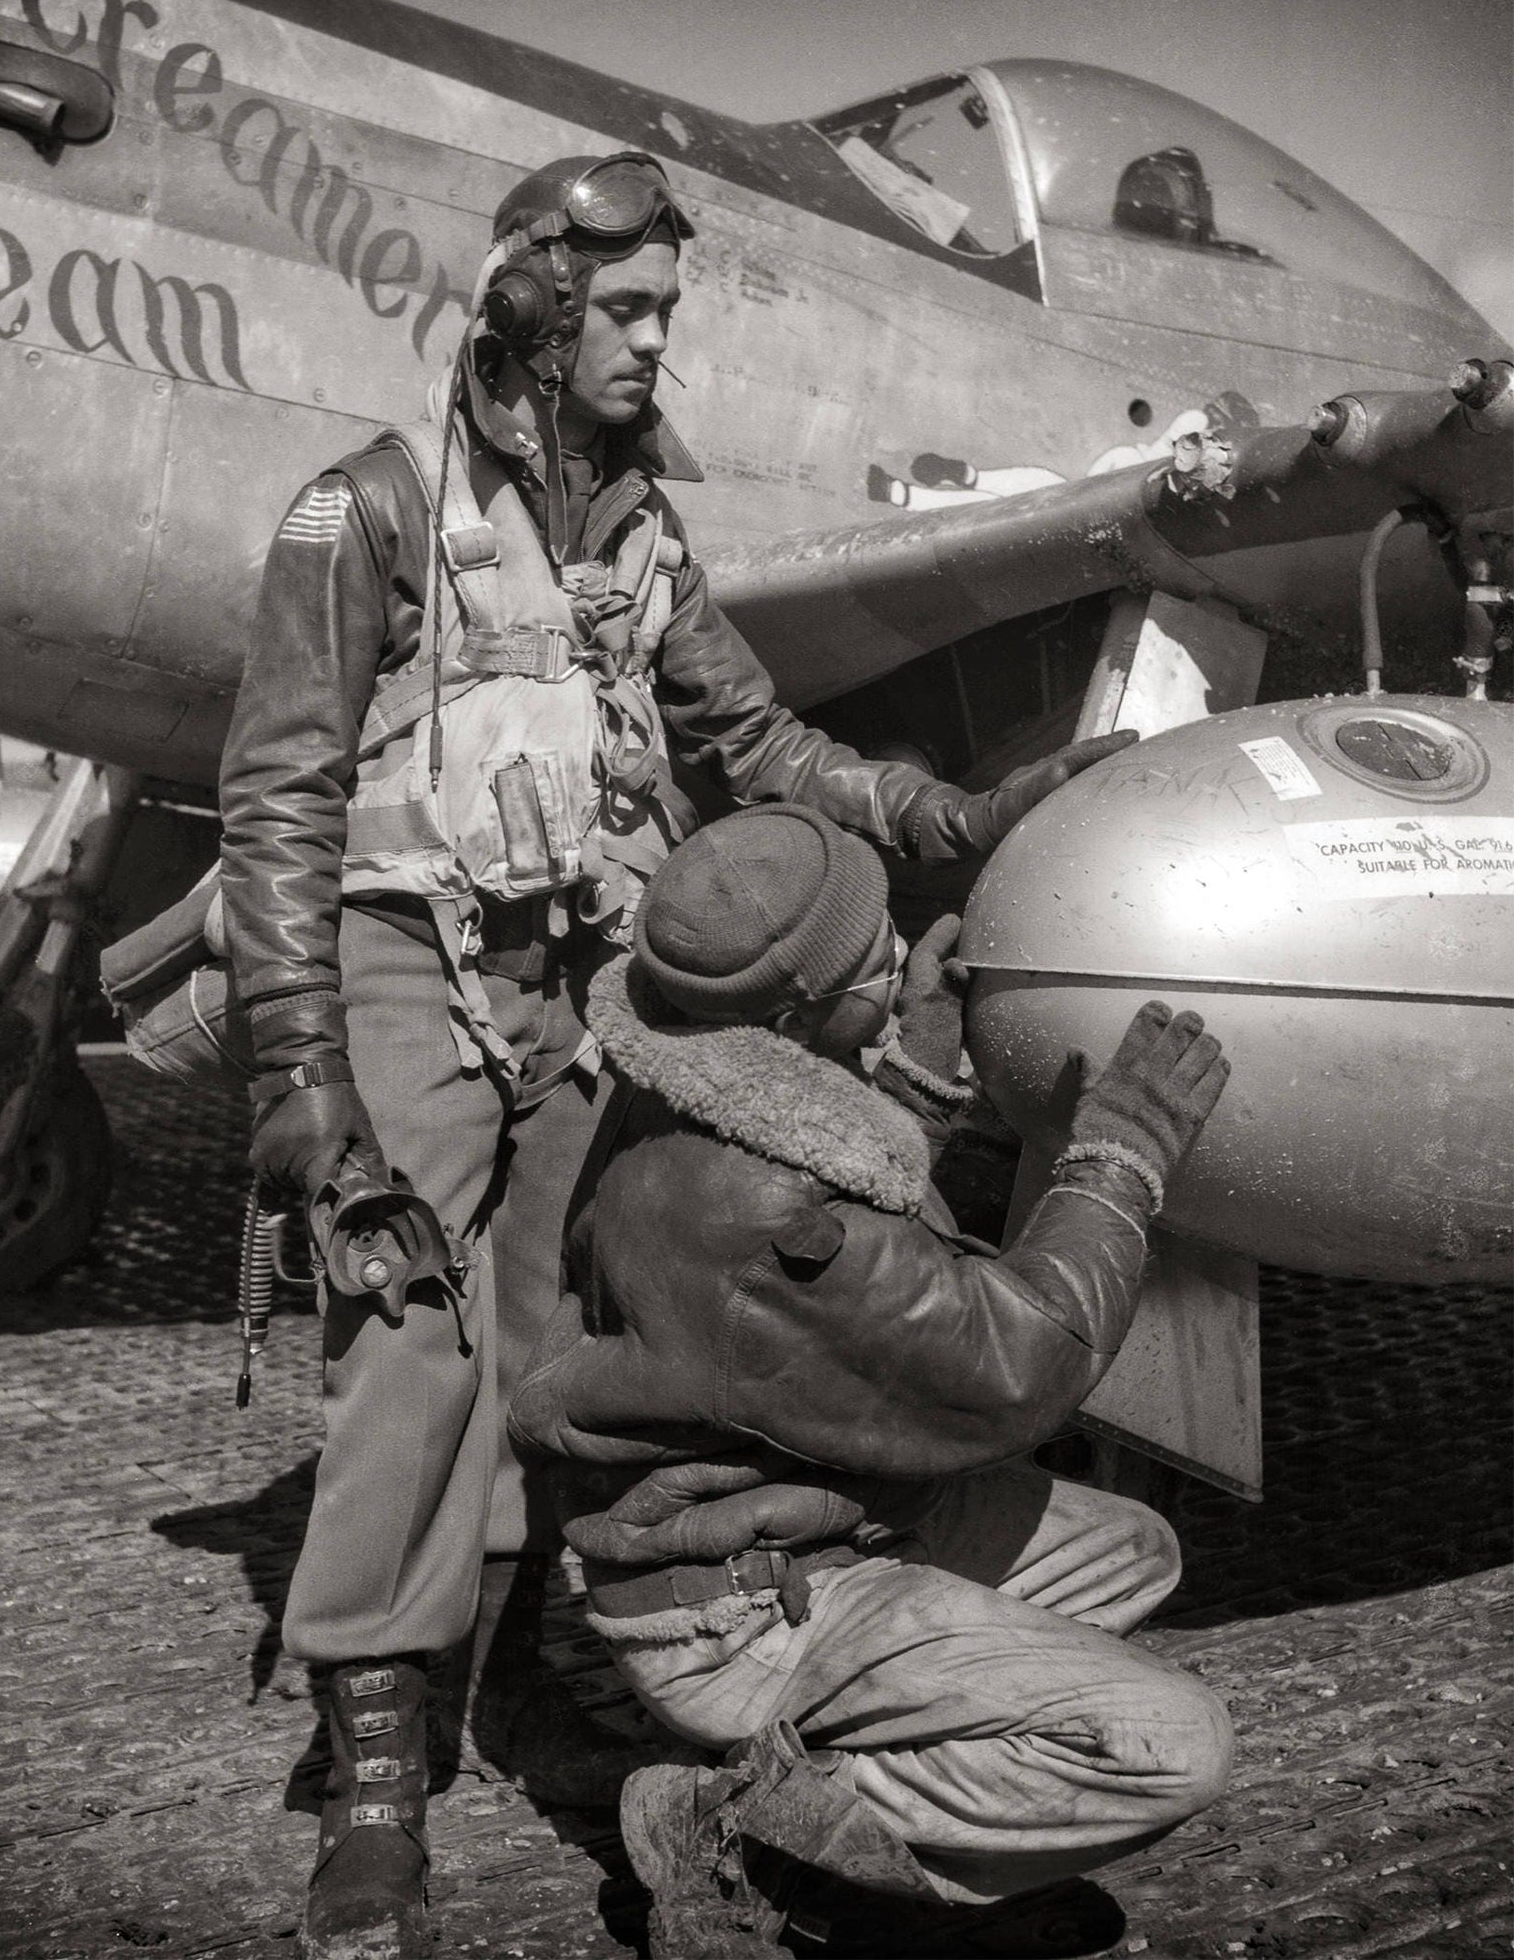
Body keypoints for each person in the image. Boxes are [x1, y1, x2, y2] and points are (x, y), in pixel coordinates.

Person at [218, 149, 1132, 1959]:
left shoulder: (638, 524)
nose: (655, 345)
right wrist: (306, 1082)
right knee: (409, 1343)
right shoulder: (368, 513)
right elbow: (279, 804)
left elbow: (760, 744)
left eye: (664, 314)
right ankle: (378, 1764)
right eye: (627, 313)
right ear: (541, 317)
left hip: (577, 967)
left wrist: (953, 810)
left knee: (572, 1343)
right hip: (408, 965)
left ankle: (557, 1669)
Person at [510, 805, 1234, 1960]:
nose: (901, 957)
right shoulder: (765, 1223)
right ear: (799, 1014)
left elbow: (820, 1155)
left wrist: (916, 1059)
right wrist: (1121, 1152)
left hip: (770, 1526)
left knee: (1131, 1548)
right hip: (734, 1610)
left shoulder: (682, 1075)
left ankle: (833, 1753)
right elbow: (1010, 1360)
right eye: (876, 963)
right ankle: (738, 1837)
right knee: (1172, 1743)